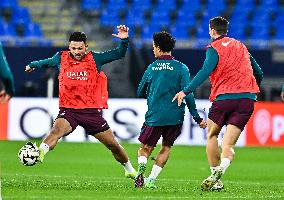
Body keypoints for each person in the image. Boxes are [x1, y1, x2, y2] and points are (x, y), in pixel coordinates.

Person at [24, 25, 136, 179]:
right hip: (69, 110)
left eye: (80, 48)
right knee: (56, 131)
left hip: (90, 112)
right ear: (69, 47)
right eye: (73, 48)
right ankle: (40, 153)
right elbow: (46, 62)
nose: (76, 52)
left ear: (86, 47)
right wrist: (32, 65)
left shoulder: (96, 58)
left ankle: (130, 170)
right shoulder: (61, 57)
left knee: (113, 146)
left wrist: (124, 40)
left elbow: (119, 54)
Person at [173, 16, 263, 191]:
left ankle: (216, 176)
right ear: (226, 31)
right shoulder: (241, 46)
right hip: (246, 100)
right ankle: (222, 168)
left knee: (212, 135)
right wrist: (252, 88)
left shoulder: (213, 48)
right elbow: (258, 71)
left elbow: (205, 71)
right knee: (228, 145)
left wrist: (186, 90)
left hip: (223, 99)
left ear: (212, 31)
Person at [134, 31, 207, 189]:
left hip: (155, 115)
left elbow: (140, 91)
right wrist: (197, 118)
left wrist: (153, 93)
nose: (153, 50)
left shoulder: (151, 68)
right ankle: (151, 181)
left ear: (159, 48)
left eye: (154, 47)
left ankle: (140, 172)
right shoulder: (182, 68)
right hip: (175, 117)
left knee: (145, 148)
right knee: (166, 147)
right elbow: (188, 94)